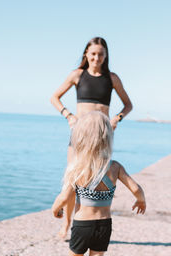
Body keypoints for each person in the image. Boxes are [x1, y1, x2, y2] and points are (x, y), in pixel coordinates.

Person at [52, 111, 146, 256]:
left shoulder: (78, 167)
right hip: (104, 225)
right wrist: (141, 200)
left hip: (82, 225)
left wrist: (56, 210)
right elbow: (136, 188)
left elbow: (64, 197)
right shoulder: (115, 167)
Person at [50, 37, 133, 238]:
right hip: (79, 134)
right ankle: (67, 224)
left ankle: (91, 224)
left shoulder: (112, 78)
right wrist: (68, 115)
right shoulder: (77, 75)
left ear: (106, 56)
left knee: (96, 181)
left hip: (102, 137)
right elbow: (54, 97)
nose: (97, 57)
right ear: (86, 54)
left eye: (101, 54)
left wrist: (117, 118)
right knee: (72, 179)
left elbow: (128, 105)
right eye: (93, 53)